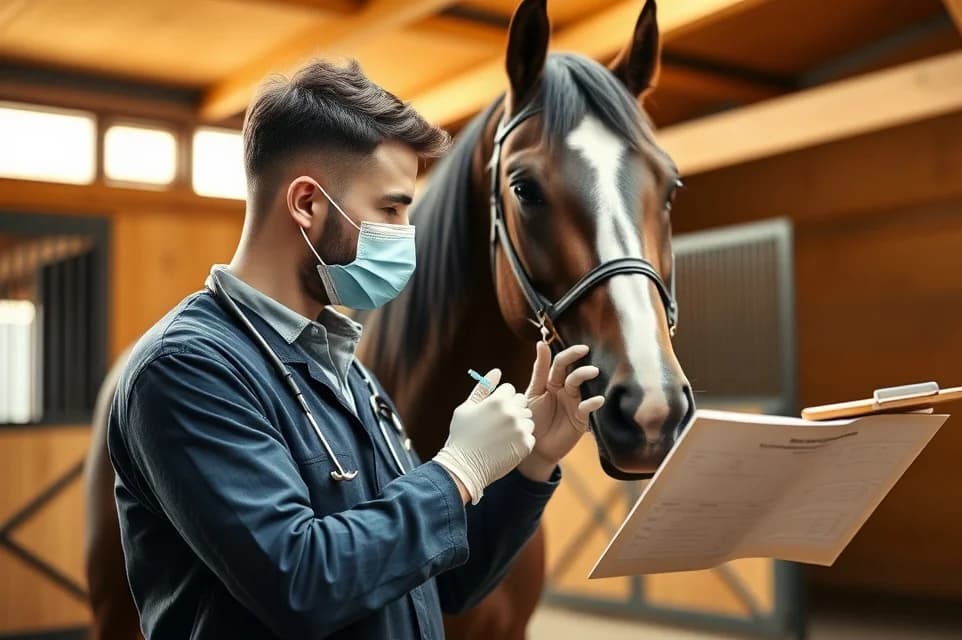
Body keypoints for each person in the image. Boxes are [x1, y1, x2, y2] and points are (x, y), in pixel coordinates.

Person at [105, 59, 605, 640]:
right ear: (307, 204)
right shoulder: (188, 370)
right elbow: (300, 583)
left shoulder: (351, 374)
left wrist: (532, 464)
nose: (405, 232)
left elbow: (442, 584)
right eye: (391, 208)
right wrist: (458, 470)